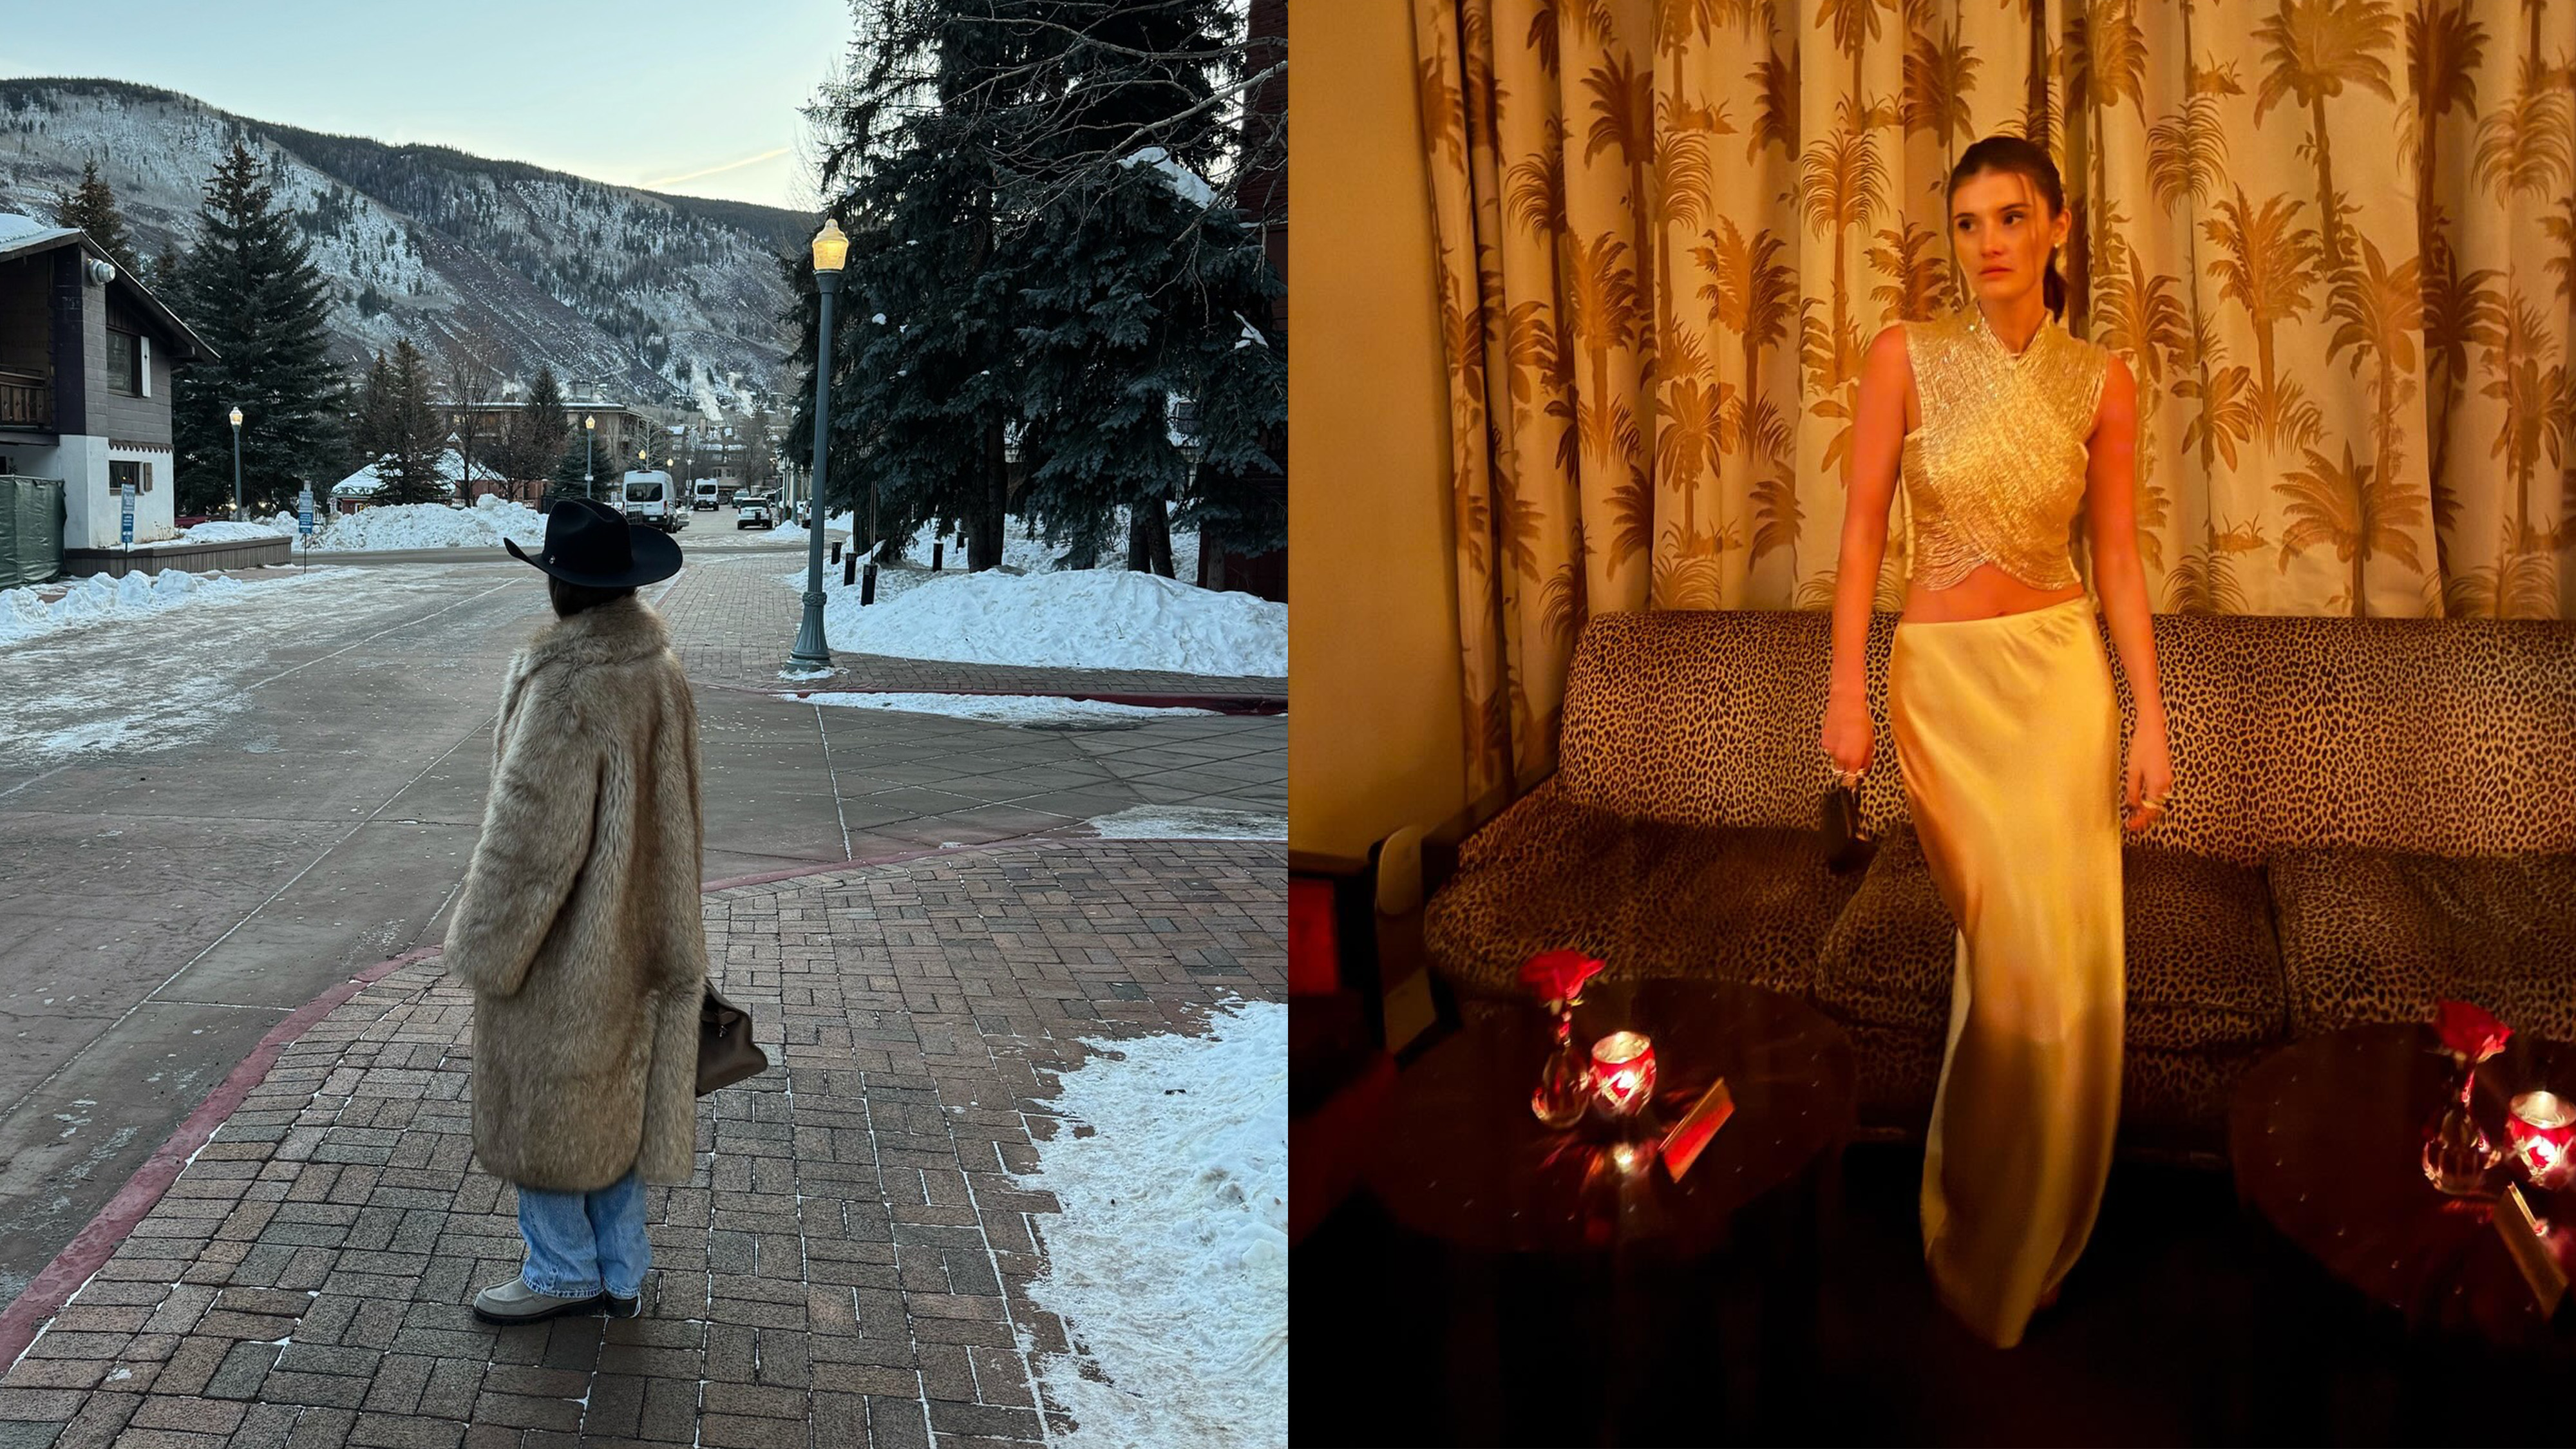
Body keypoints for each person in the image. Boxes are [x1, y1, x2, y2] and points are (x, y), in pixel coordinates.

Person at [1819, 134, 2174, 1349]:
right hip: (1945, 695)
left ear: (2059, 228)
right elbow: (1863, 532)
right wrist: (1847, 693)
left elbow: (2117, 561)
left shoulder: (2105, 383)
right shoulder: (1902, 358)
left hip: (2062, 681)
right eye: (1967, 223)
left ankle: (2036, 1226)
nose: (1987, 245)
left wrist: (2148, 716)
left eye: (2011, 218)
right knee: (2010, 956)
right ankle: (1982, 1218)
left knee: (2058, 968)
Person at [444, 498, 705, 1325]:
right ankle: (622, 1269)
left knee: (550, 1106)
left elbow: (531, 844)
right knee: (615, 1101)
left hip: (569, 947)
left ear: (562, 585)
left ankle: (561, 1271)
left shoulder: (569, 686)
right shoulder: (657, 667)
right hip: (645, 931)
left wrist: (487, 948)